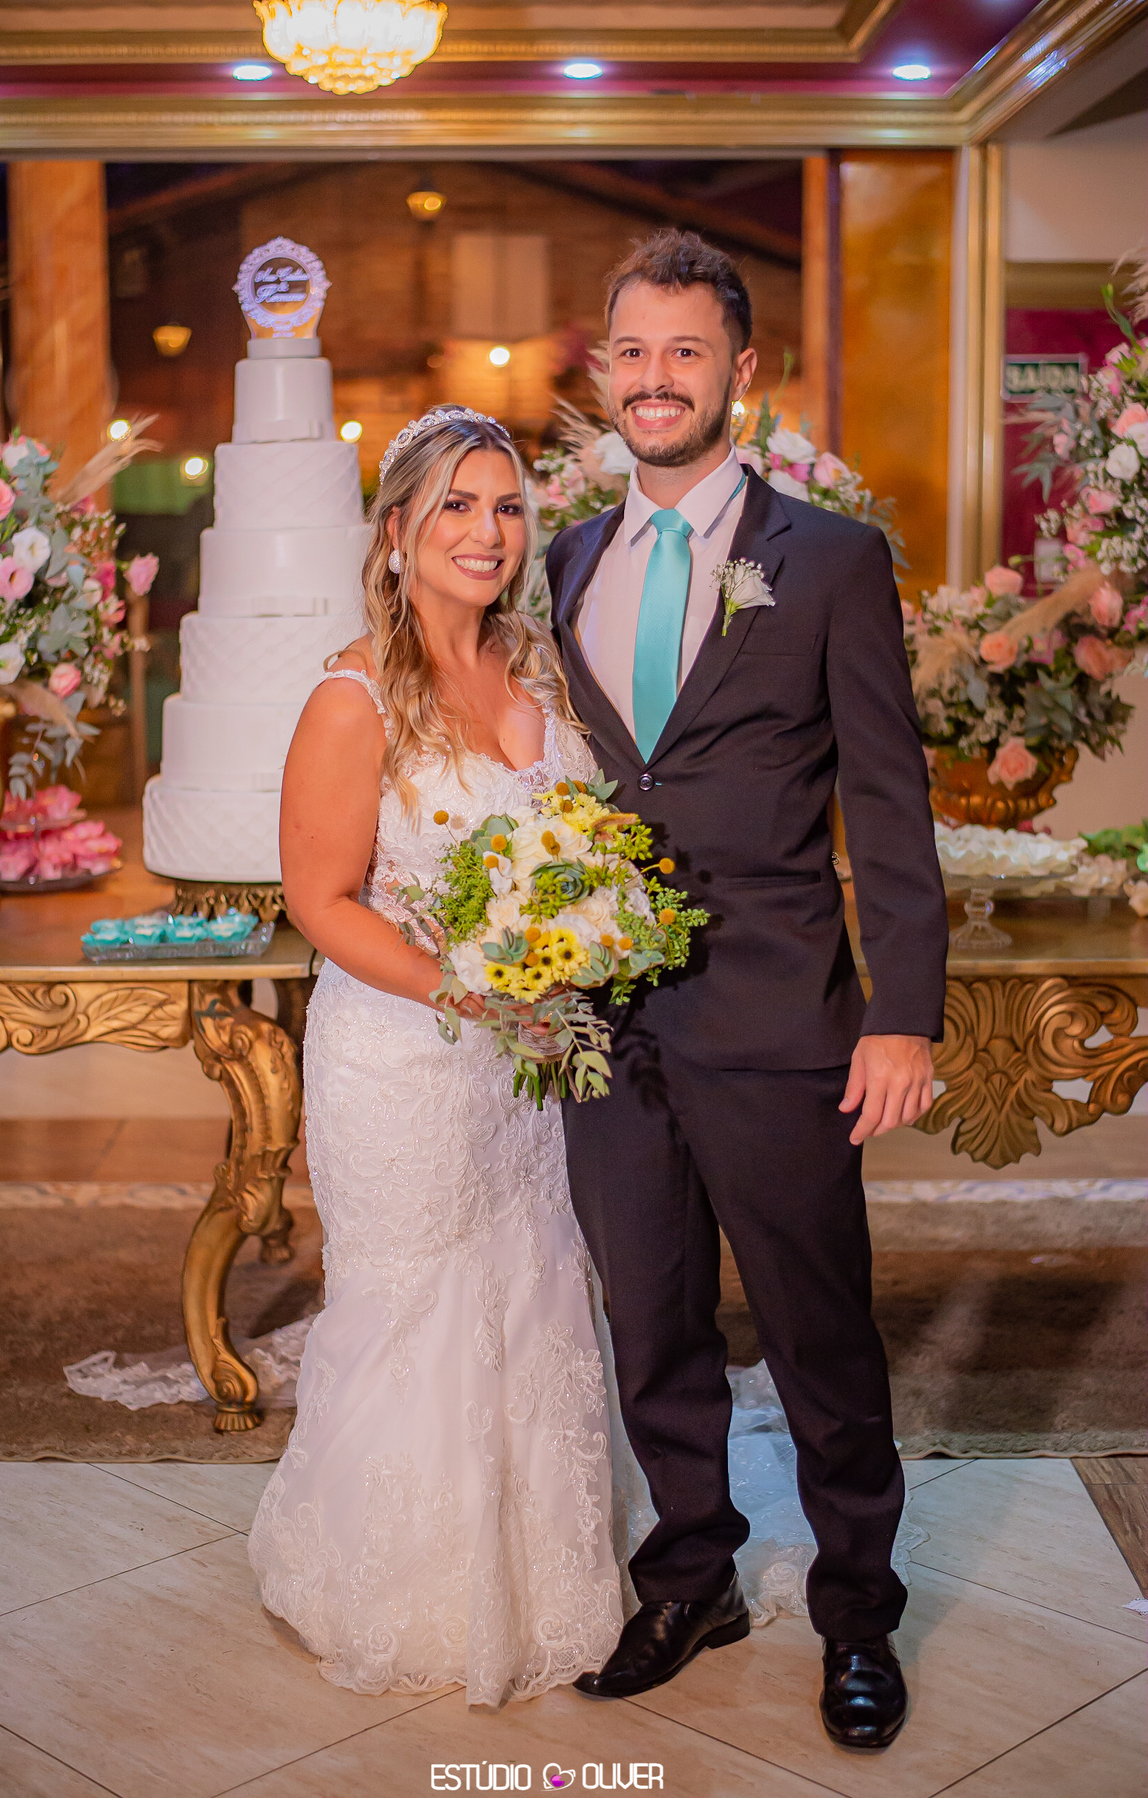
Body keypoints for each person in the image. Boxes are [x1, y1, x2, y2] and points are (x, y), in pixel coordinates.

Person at [546, 230, 947, 1749]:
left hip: (782, 1019)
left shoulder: (831, 560)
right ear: (606, 370)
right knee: (650, 1325)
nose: (655, 378)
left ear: (742, 372)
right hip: (603, 1026)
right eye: (633, 351)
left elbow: (889, 806)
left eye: (686, 352)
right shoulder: (563, 561)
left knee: (818, 1335)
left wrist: (901, 1011)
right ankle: (691, 1574)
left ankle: (859, 1612)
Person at [247, 407, 623, 1707]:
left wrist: (579, 949)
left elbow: (579, 856)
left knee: (534, 1288)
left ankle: (550, 1576)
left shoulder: (543, 676)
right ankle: (396, 1588)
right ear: (398, 530)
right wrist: (466, 989)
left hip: (527, 1069)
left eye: (507, 505)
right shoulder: (352, 696)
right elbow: (320, 898)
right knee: (416, 1307)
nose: (488, 531)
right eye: (457, 505)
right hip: (404, 1058)